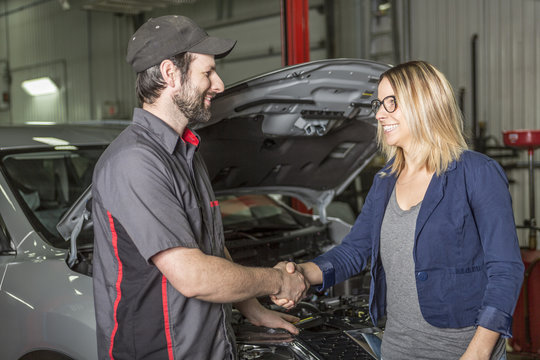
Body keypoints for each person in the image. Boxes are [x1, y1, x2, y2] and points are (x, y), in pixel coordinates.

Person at [273, 60, 524, 360]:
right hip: (398, 349)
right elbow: (355, 251)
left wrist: (478, 354)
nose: (380, 114)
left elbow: (506, 271)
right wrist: (301, 273)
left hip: (462, 350)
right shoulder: (384, 181)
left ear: (425, 103)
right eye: (379, 103)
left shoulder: (477, 173)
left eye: (391, 102)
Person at [92, 15, 307, 360]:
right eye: (207, 72)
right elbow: (193, 276)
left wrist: (253, 309)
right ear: (169, 74)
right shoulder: (135, 161)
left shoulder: (186, 153)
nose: (219, 84)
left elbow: (211, 247)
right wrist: (277, 281)